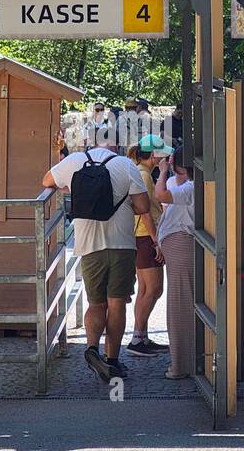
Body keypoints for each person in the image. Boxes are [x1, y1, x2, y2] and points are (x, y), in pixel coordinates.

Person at [44, 140, 150, 380]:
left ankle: (92, 348)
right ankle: (112, 360)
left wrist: (74, 190)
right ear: (116, 150)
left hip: (88, 244)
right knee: (116, 304)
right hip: (122, 243)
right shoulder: (125, 164)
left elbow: (47, 182)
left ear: (90, 149)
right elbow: (143, 206)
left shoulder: (74, 161)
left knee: (95, 303)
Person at [126, 134, 172, 357]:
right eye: (162, 152)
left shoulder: (140, 172)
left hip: (142, 237)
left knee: (147, 290)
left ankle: (141, 337)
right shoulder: (143, 176)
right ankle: (136, 338)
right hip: (145, 237)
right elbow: (144, 212)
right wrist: (156, 241)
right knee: (153, 289)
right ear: (153, 155)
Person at [155, 146, 195, 380]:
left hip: (180, 244)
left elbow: (160, 195)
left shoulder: (189, 187)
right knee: (180, 303)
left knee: (179, 305)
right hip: (176, 244)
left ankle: (181, 364)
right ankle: (183, 361)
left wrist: (162, 171)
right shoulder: (185, 185)